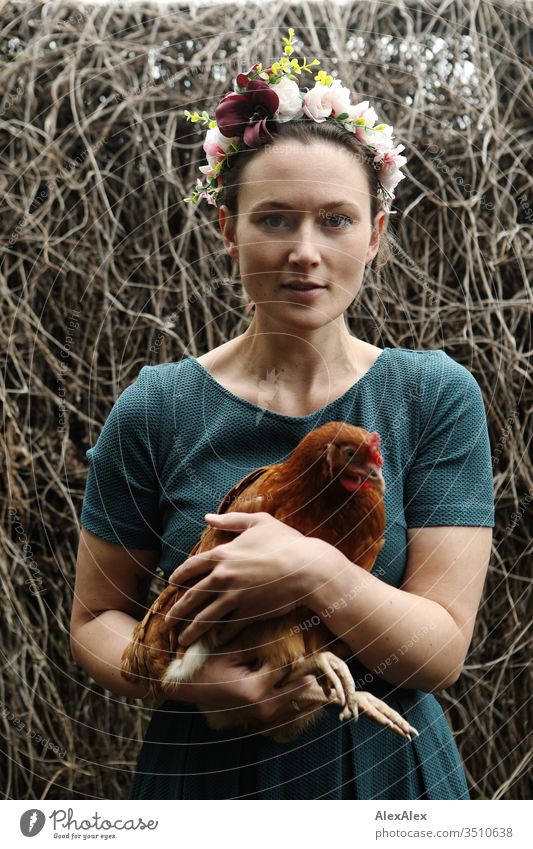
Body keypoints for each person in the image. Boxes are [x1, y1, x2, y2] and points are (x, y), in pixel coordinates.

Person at [71, 29, 495, 799]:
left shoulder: (430, 397)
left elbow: (438, 652)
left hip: (385, 783)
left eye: (335, 220)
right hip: (203, 780)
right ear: (228, 231)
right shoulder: (158, 408)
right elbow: (95, 619)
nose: (304, 250)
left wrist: (311, 570)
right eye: (273, 219)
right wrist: (189, 681)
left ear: (375, 236)